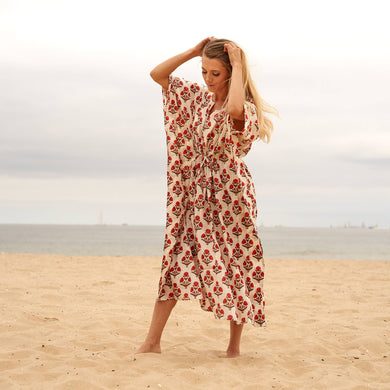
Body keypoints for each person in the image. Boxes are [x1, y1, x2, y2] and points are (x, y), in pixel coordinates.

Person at [136, 37, 277, 358]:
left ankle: (233, 348)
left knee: (237, 262)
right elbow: (158, 75)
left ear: (231, 73)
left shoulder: (245, 108)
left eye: (216, 74)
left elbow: (235, 110)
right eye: (204, 72)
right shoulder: (198, 100)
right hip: (194, 194)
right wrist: (192, 52)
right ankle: (152, 342)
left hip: (231, 196)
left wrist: (239, 64)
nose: (208, 80)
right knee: (174, 258)